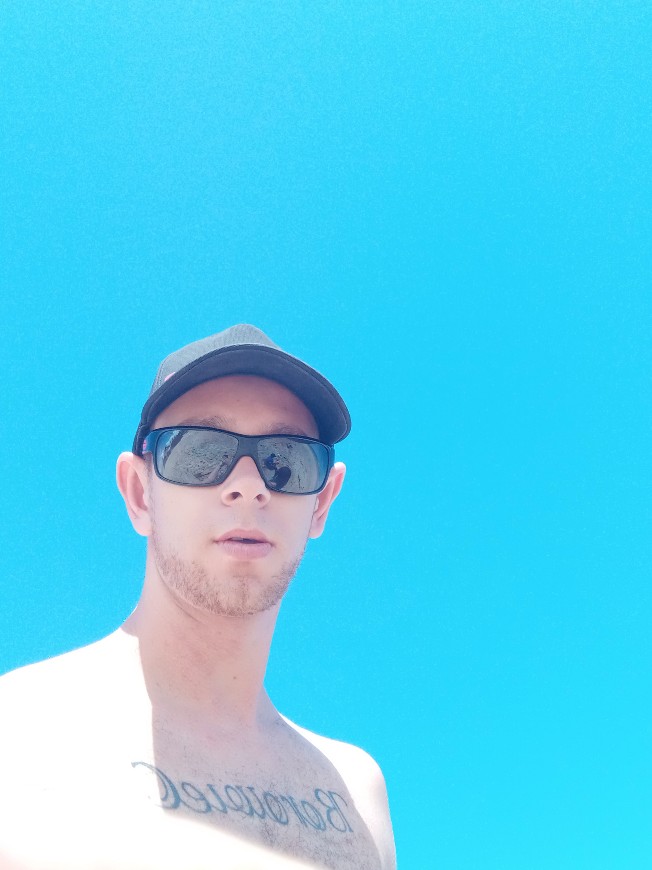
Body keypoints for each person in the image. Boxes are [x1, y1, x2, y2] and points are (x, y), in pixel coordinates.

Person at [0, 324, 396, 870]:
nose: (248, 485)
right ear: (140, 494)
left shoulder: (358, 792)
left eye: (286, 459)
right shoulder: (18, 730)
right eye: (200, 451)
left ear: (322, 503)